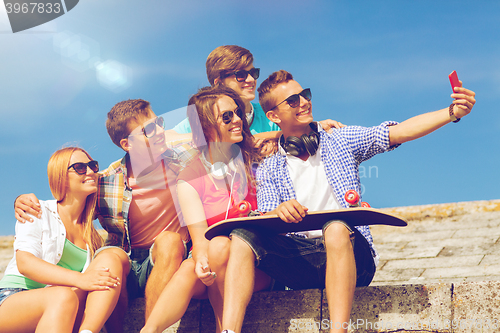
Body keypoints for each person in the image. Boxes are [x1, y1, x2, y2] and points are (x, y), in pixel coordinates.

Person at [215, 70, 476, 333]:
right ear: (273, 116)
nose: (304, 102)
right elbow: (267, 219)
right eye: (292, 101)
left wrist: (451, 112)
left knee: (337, 226)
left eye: (305, 95)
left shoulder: (340, 140)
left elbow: (398, 133)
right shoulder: (270, 166)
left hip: (352, 256)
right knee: (242, 234)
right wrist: (278, 211)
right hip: (301, 260)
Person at [13, 100, 198, 332]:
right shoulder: (106, 181)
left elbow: (230, 141)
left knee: (170, 240)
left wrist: (257, 138)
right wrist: (21, 201)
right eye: (149, 129)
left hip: (165, 258)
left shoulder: (184, 159)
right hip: (126, 264)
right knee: (110, 254)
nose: (160, 131)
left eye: (159, 123)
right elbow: (69, 202)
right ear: (126, 144)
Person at [141, 86, 272, 333]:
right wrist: (201, 260)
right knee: (195, 264)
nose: (237, 120)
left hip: (258, 265)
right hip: (213, 262)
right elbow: (199, 239)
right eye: (226, 116)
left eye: (237, 113)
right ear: (205, 127)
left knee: (221, 246)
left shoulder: (258, 163)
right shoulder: (189, 177)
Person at [0, 147, 124, 333]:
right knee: (62, 296)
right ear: (61, 177)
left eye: (93, 166)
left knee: (108, 261)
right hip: (13, 298)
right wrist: (81, 279)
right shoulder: (37, 210)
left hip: (63, 305)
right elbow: (25, 263)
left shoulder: (93, 237)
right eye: (80, 167)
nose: (90, 171)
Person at [173, 45, 344, 152]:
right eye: (240, 75)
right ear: (218, 83)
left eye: (253, 73)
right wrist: (255, 139)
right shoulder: (204, 118)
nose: (251, 80)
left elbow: (296, 133)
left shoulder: (268, 113)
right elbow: (161, 141)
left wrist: (317, 126)